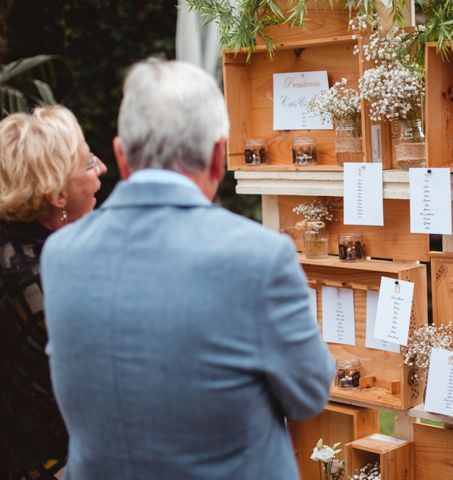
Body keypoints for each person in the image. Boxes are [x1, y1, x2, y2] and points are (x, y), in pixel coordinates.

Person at [41, 58, 335, 479]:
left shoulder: (61, 254)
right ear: (218, 156)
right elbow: (308, 395)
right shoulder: (260, 256)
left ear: (121, 156)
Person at [0, 106, 107, 479]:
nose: (102, 169)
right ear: (57, 195)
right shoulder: (39, 278)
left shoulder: (18, 244)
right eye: (89, 162)